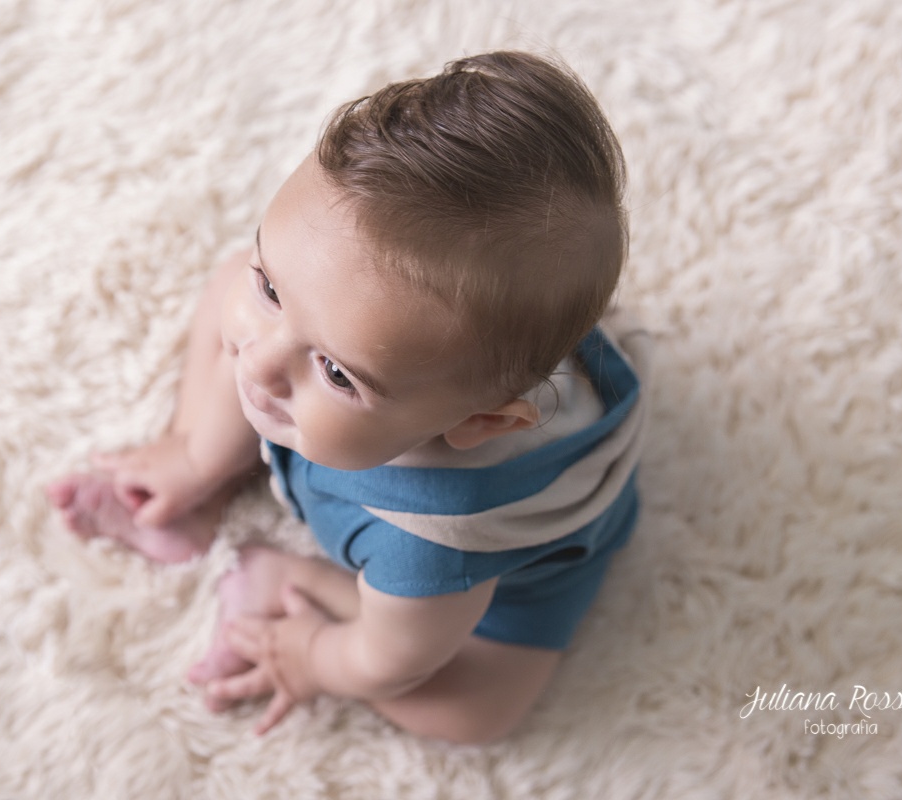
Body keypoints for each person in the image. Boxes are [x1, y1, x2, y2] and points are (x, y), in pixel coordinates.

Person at [47, 50, 651, 744]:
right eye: (272, 288)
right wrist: (196, 449)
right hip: (418, 399)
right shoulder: (343, 333)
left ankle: (286, 578)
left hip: (500, 562)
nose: (259, 362)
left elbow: (385, 662)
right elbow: (250, 302)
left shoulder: (438, 551)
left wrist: (312, 656)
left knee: (475, 711)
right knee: (243, 298)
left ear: (480, 420)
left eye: (337, 372)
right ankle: (204, 471)